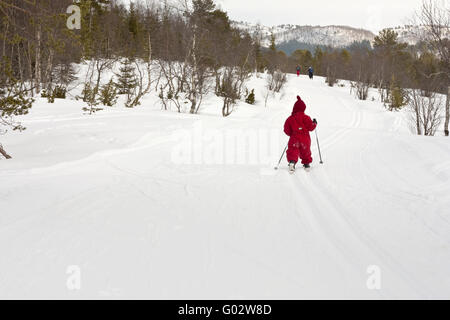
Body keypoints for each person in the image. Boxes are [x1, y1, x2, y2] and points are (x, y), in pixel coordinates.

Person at [283, 96, 317, 173]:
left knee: (293, 150)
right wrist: (314, 123)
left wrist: (291, 133)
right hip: (305, 138)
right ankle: (306, 164)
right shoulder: (306, 117)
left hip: (294, 138)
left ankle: (292, 162)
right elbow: (311, 127)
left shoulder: (290, 119)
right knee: (305, 150)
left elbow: (286, 130)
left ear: (294, 108)